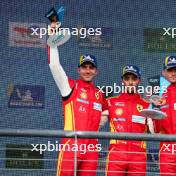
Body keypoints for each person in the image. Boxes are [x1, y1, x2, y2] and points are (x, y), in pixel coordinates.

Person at [48, 46, 107, 176]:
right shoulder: (70, 86)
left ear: (96, 71)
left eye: (91, 67)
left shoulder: (99, 94)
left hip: (91, 149)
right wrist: (52, 43)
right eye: (84, 67)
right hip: (71, 146)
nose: (88, 71)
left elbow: (110, 111)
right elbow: (54, 66)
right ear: (78, 70)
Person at [102, 65, 153, 176]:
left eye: (134, 79)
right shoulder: (110, 102)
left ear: (138, 81)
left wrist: (155, 108)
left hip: (138, 156)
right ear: (123, 81)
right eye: (127, 78)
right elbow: (94, 120)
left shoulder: (147, 105)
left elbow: (154, 132)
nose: (130, 82)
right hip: (116, 155)